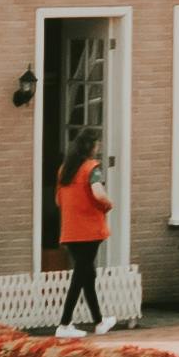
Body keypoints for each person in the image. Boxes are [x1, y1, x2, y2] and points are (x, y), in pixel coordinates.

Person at [51, 136, 114, 330]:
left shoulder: (65, 171)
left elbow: (58, 201)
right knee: (80, 275)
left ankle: (99, 321)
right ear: (90, 147)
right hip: (90, 231)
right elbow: (98, 193)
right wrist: (108, 203)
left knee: (87, 274)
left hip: (71, 230)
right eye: (96, 144)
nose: (97, 147)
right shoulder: (91, 169)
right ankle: (64, 323)